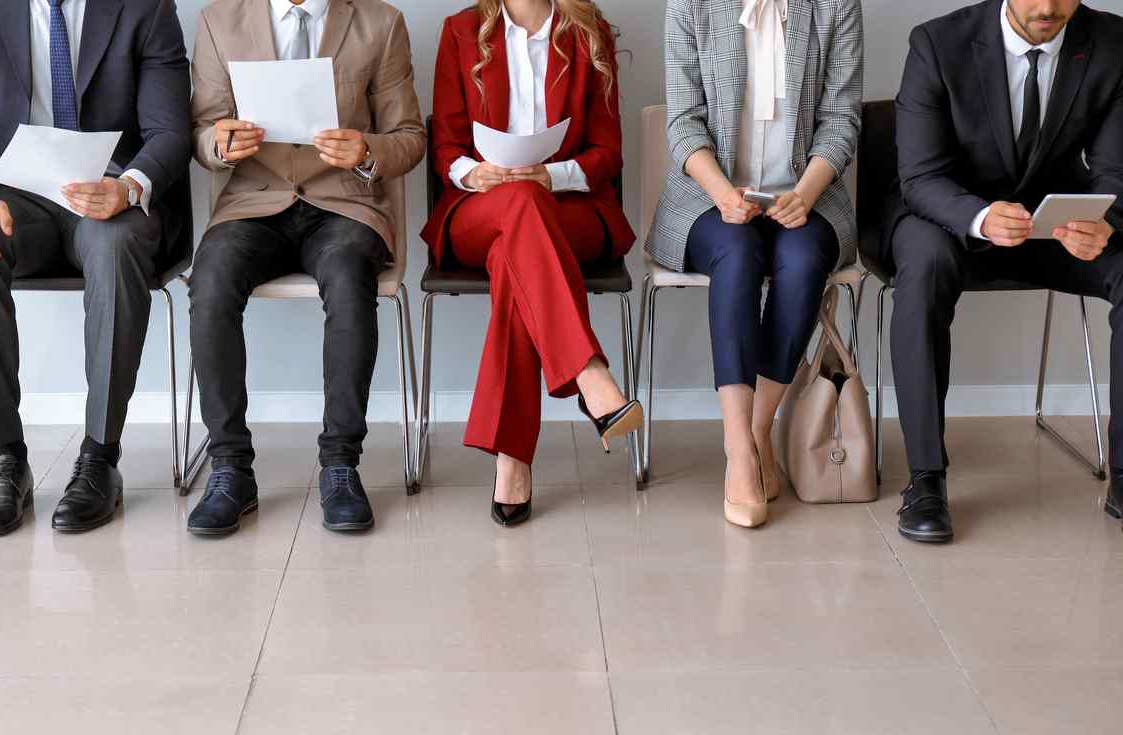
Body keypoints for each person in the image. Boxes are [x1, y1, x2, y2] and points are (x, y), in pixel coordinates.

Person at [0, 0, 192, 535]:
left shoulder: (147, 5)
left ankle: (99, 456)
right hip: (14, 194)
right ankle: (6, 458)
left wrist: (129, 186)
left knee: (114, 249)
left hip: (112, 191)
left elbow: (169, 130)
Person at [887, 0, 1123, 543]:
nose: (1047, 8)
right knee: (923, 267)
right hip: (947, 213)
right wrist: (979, 217)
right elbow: (920, 177)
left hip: (1050, 223)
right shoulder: (936, 43)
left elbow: (1115, 169)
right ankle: (926, 480)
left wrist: (1102, 221)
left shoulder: (1111, 44)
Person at [186, 0, 425, 535]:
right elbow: (201, 131)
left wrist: (366, 150)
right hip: (254, 201)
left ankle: (340, 465)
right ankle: (229, 467)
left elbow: (409, 137)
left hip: (344, 203)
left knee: (347, 276)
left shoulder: (380, 23)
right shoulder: (219, 20)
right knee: (212, 277)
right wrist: (220, 143)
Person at [422, 0, 641, 526]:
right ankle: (588, 373)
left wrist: (551, 175)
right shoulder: (460, 31)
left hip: (572, 211)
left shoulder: (590, 31)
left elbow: (608, 152)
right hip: (481, 208)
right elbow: (446, 143)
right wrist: (475, 175)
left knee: (516, 256)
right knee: (518, 214)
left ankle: (513, 458)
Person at [647, 0, 863, 528]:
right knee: (738, 254)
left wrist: (807, 194)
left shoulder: (836, 7)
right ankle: (739, 451)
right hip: (707, 196)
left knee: (804, 257)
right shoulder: (690, 5)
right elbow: (682, 121)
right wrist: (723, 194)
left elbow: (841, 120)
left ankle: (757, 431)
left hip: (806, 194)